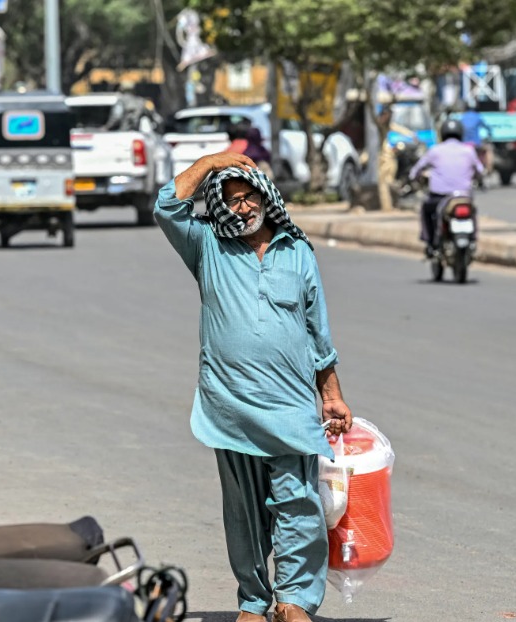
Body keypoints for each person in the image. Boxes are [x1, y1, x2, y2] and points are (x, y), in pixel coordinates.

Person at [153, 152, 353, 622]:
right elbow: (166, 207)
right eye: (231, 201)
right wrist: (212, 162)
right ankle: (253, 601)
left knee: (298, 504)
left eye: (248, 197)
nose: (241, 208)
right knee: (243, 512)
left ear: (266, 197)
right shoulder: (206, 246)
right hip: (231, 405)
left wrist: (331, 394)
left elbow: (317, 331)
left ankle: (296, 599)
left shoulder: (297, 251)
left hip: (290, 405)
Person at [409, 119, 484, 256]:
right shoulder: (469, 151)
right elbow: (480, 170)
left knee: (426, 210)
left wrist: (415, 178)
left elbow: (416, 170)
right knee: (472, 211)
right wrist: (477, 179)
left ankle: (430, 242)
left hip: (439, 197)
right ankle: (473, 239)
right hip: (464, 196)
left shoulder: (435, 151)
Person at [460, 102, 492, 186]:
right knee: (487, 151)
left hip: (464, 144)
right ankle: (487, 170)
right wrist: (490, 133)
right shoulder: (478, 117)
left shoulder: (463, 117)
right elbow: (487, 127)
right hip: (475, 144)